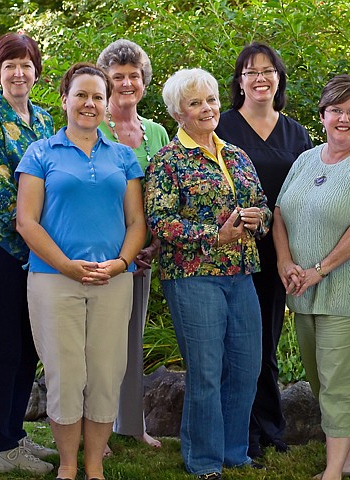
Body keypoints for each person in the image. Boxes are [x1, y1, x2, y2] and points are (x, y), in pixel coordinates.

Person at [15, 62, 146, 480]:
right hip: (54, 281)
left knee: (106, 376)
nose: (89, 104)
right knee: (66, 377)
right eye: (81, 95)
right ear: (64, 100)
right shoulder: (40, 153)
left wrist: (123, 262)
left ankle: (95, 469)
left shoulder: (123, 157)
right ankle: (68, 468)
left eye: (97, 97)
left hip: (112, 281)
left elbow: (137, 223)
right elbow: (26, 222)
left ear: (107, 105)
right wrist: (68, 266)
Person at [144, 68, 271, 480]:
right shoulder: (168, 160)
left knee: (247, 365)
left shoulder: (235, 155)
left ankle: (234, 451)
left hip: (241, 272)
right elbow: (160, 221)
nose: (207, 108)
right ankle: (203, 460)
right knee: (206, 369)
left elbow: (264, 205)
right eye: (195, 103)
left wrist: (257, 218)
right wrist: (214, 236)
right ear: (178, 112)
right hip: (192, 276)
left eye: (211, 100)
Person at [273, 75, 350, 480]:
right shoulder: (306, 159)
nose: (344, 118)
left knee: (340, 382)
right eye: (336, 110)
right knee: (325, 382)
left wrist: (317, 270)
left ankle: (333, 471)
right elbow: (279, 213)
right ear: (322, 115)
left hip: (349, 291)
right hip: (303, 290)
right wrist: (286, 263)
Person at [215, 41, 312, 459]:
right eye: (251, 71)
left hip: (277, 255)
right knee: (234, 345)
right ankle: (240, 432)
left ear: (279, 78)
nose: (260, 78)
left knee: (265, 344)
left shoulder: (296, 133)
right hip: (231, 253)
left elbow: (308, 194)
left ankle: (270, 428)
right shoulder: (220, 127)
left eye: (268, 70)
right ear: (239, 82)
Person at [0, 32, 56, 474]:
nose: (19, 73)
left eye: (26, 64)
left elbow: (54, 179)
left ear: (36, 70)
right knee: (1, 346)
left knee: (28, 346)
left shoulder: (43, 120)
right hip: (6, 250)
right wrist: (42, 226)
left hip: (39, 252)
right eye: (10, 66)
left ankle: (15, 434)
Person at [96, 38, 169, 450]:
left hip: (143, 255)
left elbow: (166, 194)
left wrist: (154, 243)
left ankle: (131, 423)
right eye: (117, 76)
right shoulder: (92, 126)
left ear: (144, 82)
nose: (126, 83)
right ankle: (97, 428)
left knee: (132, 340)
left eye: (133, 76)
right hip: (102, 253)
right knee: (101, 342)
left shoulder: (156, 132)